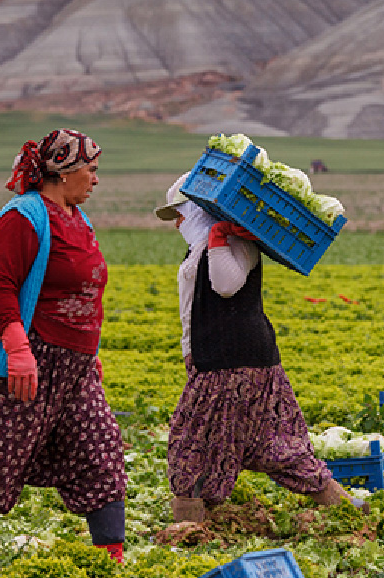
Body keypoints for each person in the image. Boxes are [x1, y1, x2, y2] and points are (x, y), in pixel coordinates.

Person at [0, 130, 125, 574]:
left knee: (102, 457)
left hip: (75, 370)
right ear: (63, 171)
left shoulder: (79, 219)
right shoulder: (23, 216)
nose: (96, 180)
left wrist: (88, 352)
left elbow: (83, 293)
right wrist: (18, 350)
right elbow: (0, 288)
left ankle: (110, 565)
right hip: (29, 365)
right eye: (91, 170)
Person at [154, 174, 362, 523]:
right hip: (243, 357)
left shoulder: (231, 241)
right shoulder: (202, 246)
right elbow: (192, 305)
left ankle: (188, 527)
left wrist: (219, 236)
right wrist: (190, 351)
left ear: (197, 209)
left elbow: (225, 285)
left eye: (180, 212)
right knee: (273, 439)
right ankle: (345, 507)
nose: (176, 222)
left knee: (190, 443)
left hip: (230, 360)